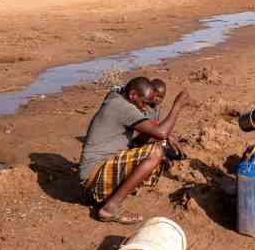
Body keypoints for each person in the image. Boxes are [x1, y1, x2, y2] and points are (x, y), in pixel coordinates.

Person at [79, 77, 190, 224]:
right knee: (155, 152)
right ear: (133, 95)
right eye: (144, 102)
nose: (145, 108)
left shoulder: (118, 99)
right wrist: (177, 106)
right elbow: (160, 133)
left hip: (96, 172)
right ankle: (109, 208)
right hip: (93, 176)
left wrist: (163, 138)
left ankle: (106, 196)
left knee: (158, 150)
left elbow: (147, 136)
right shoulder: (122, 107)